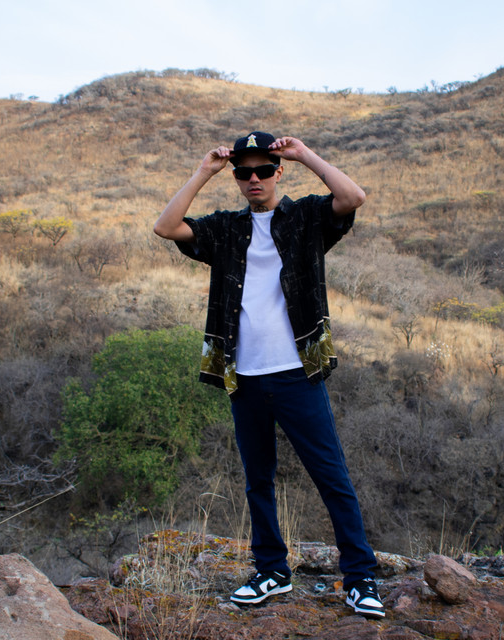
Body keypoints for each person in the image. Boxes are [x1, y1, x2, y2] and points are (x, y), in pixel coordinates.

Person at [154, 131, 384, 618]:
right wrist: (204, 171)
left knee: (331, 477)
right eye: (244, 172)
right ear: (236, 178)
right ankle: (271, 571)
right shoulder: (225, 228)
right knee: (258, 480)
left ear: (278, 172)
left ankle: (361, 578)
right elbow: (165, 226)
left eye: (263, 170)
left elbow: (352, 197)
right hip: (244, 375)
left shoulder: (305, 218)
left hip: (298, 371)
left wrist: (304, 155)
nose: (253, 179)